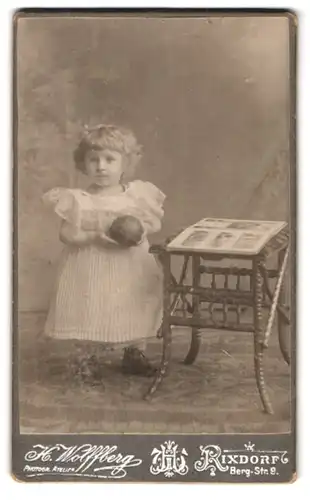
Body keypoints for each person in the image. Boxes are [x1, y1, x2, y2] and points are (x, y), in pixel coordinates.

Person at [42, 124, 165, 378]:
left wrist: (135, 233)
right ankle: (85, 357)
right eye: (93, 160)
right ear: (83, 163)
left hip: (130, 264)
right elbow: (66, 233)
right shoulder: (78, 199)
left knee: (132, 305)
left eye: (110, 159)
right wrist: (93, 236)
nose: (101, 166)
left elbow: (151, 224)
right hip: (91, 265)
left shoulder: (137, 196)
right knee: (91, 307)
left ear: (125, 163)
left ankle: (134, 353)